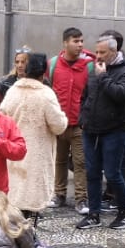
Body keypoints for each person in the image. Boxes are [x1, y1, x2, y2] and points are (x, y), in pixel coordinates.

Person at [76, 30, 125, 230]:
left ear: (114, 51)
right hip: (91, 129)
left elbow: (122, 94)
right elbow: (86, 95)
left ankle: (124, 212)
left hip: (114, 129)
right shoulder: (95, 68)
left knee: (112, 173)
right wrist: (83, 118)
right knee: (92, 172)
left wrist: (103, 78)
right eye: (96, 52)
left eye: (102, 52)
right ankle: (93, 214)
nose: (98, 56)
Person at [0, 51, 65, 228]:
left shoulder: (13, 92)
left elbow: (1, 117)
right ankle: (29, 234)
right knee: (32, 198)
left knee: (15, 195)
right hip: (38, 155)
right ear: (43, 73)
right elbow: (58, 125)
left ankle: (14, 232)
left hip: (14, 152)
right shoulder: (46, 94)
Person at [49, 29, 90, 212]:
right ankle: (59, 194)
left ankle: (81, 198)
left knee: (81, 163)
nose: (80, 44)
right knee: (59, 161)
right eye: (76, 41)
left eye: (81, 41)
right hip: (59, 123)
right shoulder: (53, 64)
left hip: (80, 124)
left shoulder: (89, 66)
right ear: (65, 43)